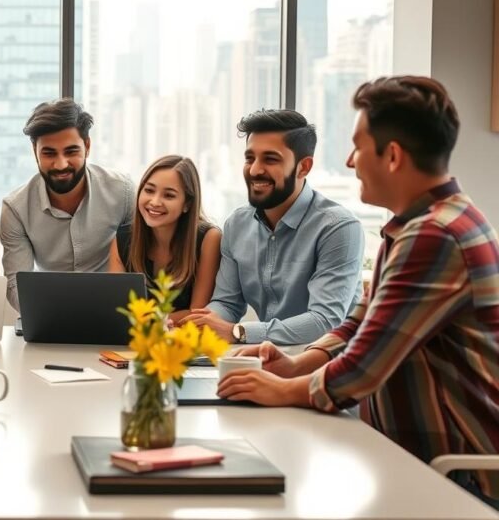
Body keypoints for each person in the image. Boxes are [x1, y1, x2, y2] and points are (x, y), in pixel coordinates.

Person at [218, 76, 499, 510]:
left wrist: (279, 389)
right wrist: (295, 365)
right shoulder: (413, 226)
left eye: (357, 147)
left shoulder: (435, 235)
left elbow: (362, 371)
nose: (350, 162)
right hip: (413, 461)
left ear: (392, 156)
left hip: (458, 480)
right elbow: (360, 324)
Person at [180, 109, 364, 344]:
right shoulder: (237, 224)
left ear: (303, 167)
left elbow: (324, 320)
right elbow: (227, 302)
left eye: (270, 159)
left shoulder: (338, 227)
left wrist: (238, 332)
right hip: (265, 360)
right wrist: (201, 325)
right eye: (250, 158)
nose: (255, 169)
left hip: (327, 366)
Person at [0, 98, 134, 311]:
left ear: (87, 146)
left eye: (71, 151)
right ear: (34, 150)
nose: (61, 164)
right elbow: (16, 285)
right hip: (50, 312)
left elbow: (142, 266)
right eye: (49, 153)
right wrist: (51, 312)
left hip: (114, 310)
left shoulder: (123, 191)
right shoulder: (15, 209)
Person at [109, 155, 221, 323]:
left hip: (183, 342)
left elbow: (197, 315)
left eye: (168, 195)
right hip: (133, 343)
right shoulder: (123, 238)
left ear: (187, 204)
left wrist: (146, 320)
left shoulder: (209, 238)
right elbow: (118, 310)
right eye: (149, 190)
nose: (154, 202)